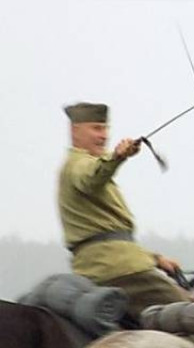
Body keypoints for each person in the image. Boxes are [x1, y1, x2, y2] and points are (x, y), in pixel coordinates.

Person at [58, 102, 186, 321]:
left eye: (106, 129)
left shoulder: (83, 165)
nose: (104, 136)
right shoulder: (78, 165)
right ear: (75, 130)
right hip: (119, 270)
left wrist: (155, 259)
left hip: (106, 265)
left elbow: (110, 236)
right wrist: (117, 157)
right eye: (96, 128)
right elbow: (91, 178)